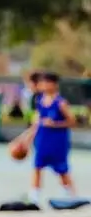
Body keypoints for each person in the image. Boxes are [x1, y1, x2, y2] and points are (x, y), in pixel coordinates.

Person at [27, 72, 77, 207]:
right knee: (37, 167)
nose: (43, 85)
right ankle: (34, 197)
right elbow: (37, 121)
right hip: (43, 139)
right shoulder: (40, 100)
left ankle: (70, 195)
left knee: (62, 169)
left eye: (46, 82)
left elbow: (72, 121)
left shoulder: (60, 103)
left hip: (57, 140)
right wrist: (27, 138)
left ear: (54, 84)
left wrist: (56, 124)